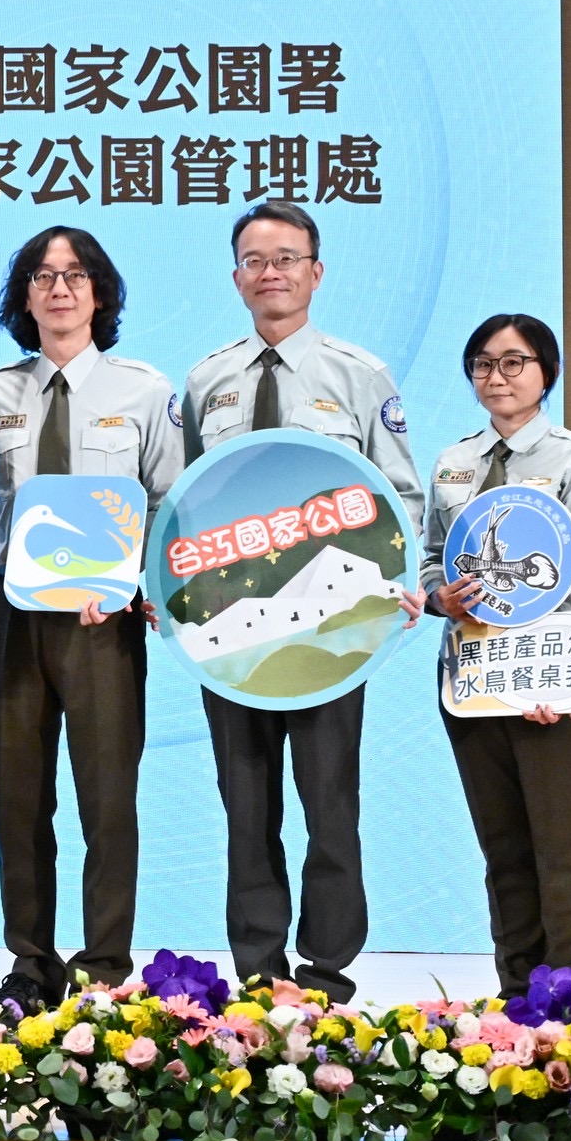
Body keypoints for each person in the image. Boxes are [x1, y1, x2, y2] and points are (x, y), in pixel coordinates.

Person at [180, 197, 422, 998]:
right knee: (245, 807)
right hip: (230, 631)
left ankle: (326, 970)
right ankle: (258, 970)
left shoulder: (360, 375)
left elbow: (400, 495)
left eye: (286, 258)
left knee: (329, 802)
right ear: (237, 278)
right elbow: (182, 505)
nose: (271, 273)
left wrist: (398, 586)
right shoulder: (207, 381)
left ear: (316, 273)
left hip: (333, 628)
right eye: (255, 260)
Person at [0, 227, 182, 1012]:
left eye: (76, 274)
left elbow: (171, 505)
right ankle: (31, 963)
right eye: (43, 276)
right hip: (12, 619)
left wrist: (140, 586)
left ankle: (103, 967)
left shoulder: (144, 392)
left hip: (102, 622)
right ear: (24, 297)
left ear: (100, 293)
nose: (60, 288)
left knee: (107, 800)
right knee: (19, 802)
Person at [421, 314, 571, 995]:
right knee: (502, 848)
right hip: (471, 677)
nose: (496, 376)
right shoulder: (453, 462)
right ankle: (515, 998)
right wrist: (440, 597)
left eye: (513, 362)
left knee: (558, 846)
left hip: (550, 679)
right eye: (482, 363)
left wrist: (550, 682)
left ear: (546, 372)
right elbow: (431, 559)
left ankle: (563, 1000)